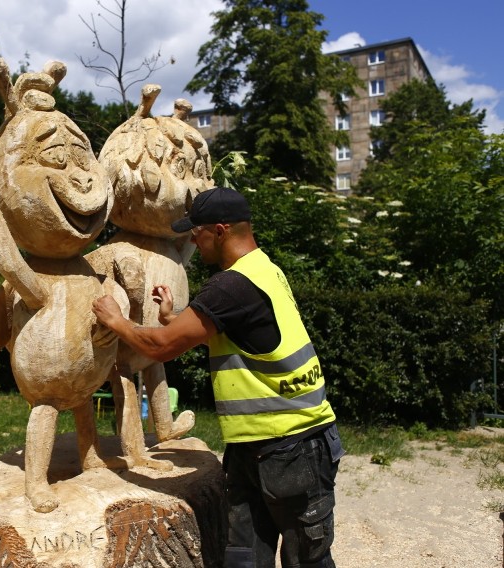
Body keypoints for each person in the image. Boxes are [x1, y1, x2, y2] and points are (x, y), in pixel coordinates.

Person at [92, 186, 344, 568]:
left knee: (305, 561)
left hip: (293, 447)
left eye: (198, 229)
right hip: (261, 447)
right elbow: (225, 327)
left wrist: (115, 320)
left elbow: (160, 348)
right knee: (243, 557)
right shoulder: (264, 270)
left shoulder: (230, 285)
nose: (192, 237)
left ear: (221, 230)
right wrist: (171, 317)